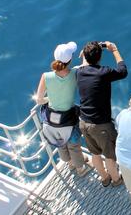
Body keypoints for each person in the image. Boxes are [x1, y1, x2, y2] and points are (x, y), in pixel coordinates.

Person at [77, 41, 127, 187]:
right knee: (110, 156)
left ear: (84, 56)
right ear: (99, 58)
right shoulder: (103, 72)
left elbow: (84, 61)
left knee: (95, 154)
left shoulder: (79, 72)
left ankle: (105, 178)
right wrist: (114, 50)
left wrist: (89, 50)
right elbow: (123, 71)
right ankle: (116, 180)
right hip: (101, 126)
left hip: (84, 122)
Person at [35, 42, 90, 176]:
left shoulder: (46, 76)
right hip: (68, 118)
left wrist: (51, 98)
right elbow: (86, 66)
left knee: (60, 142)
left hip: (51, 119)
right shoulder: (75, 72)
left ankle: (70, 163)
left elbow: (39, 100)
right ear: (70, 60)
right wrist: (84, 55)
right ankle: (80, 169)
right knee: (73, 144)